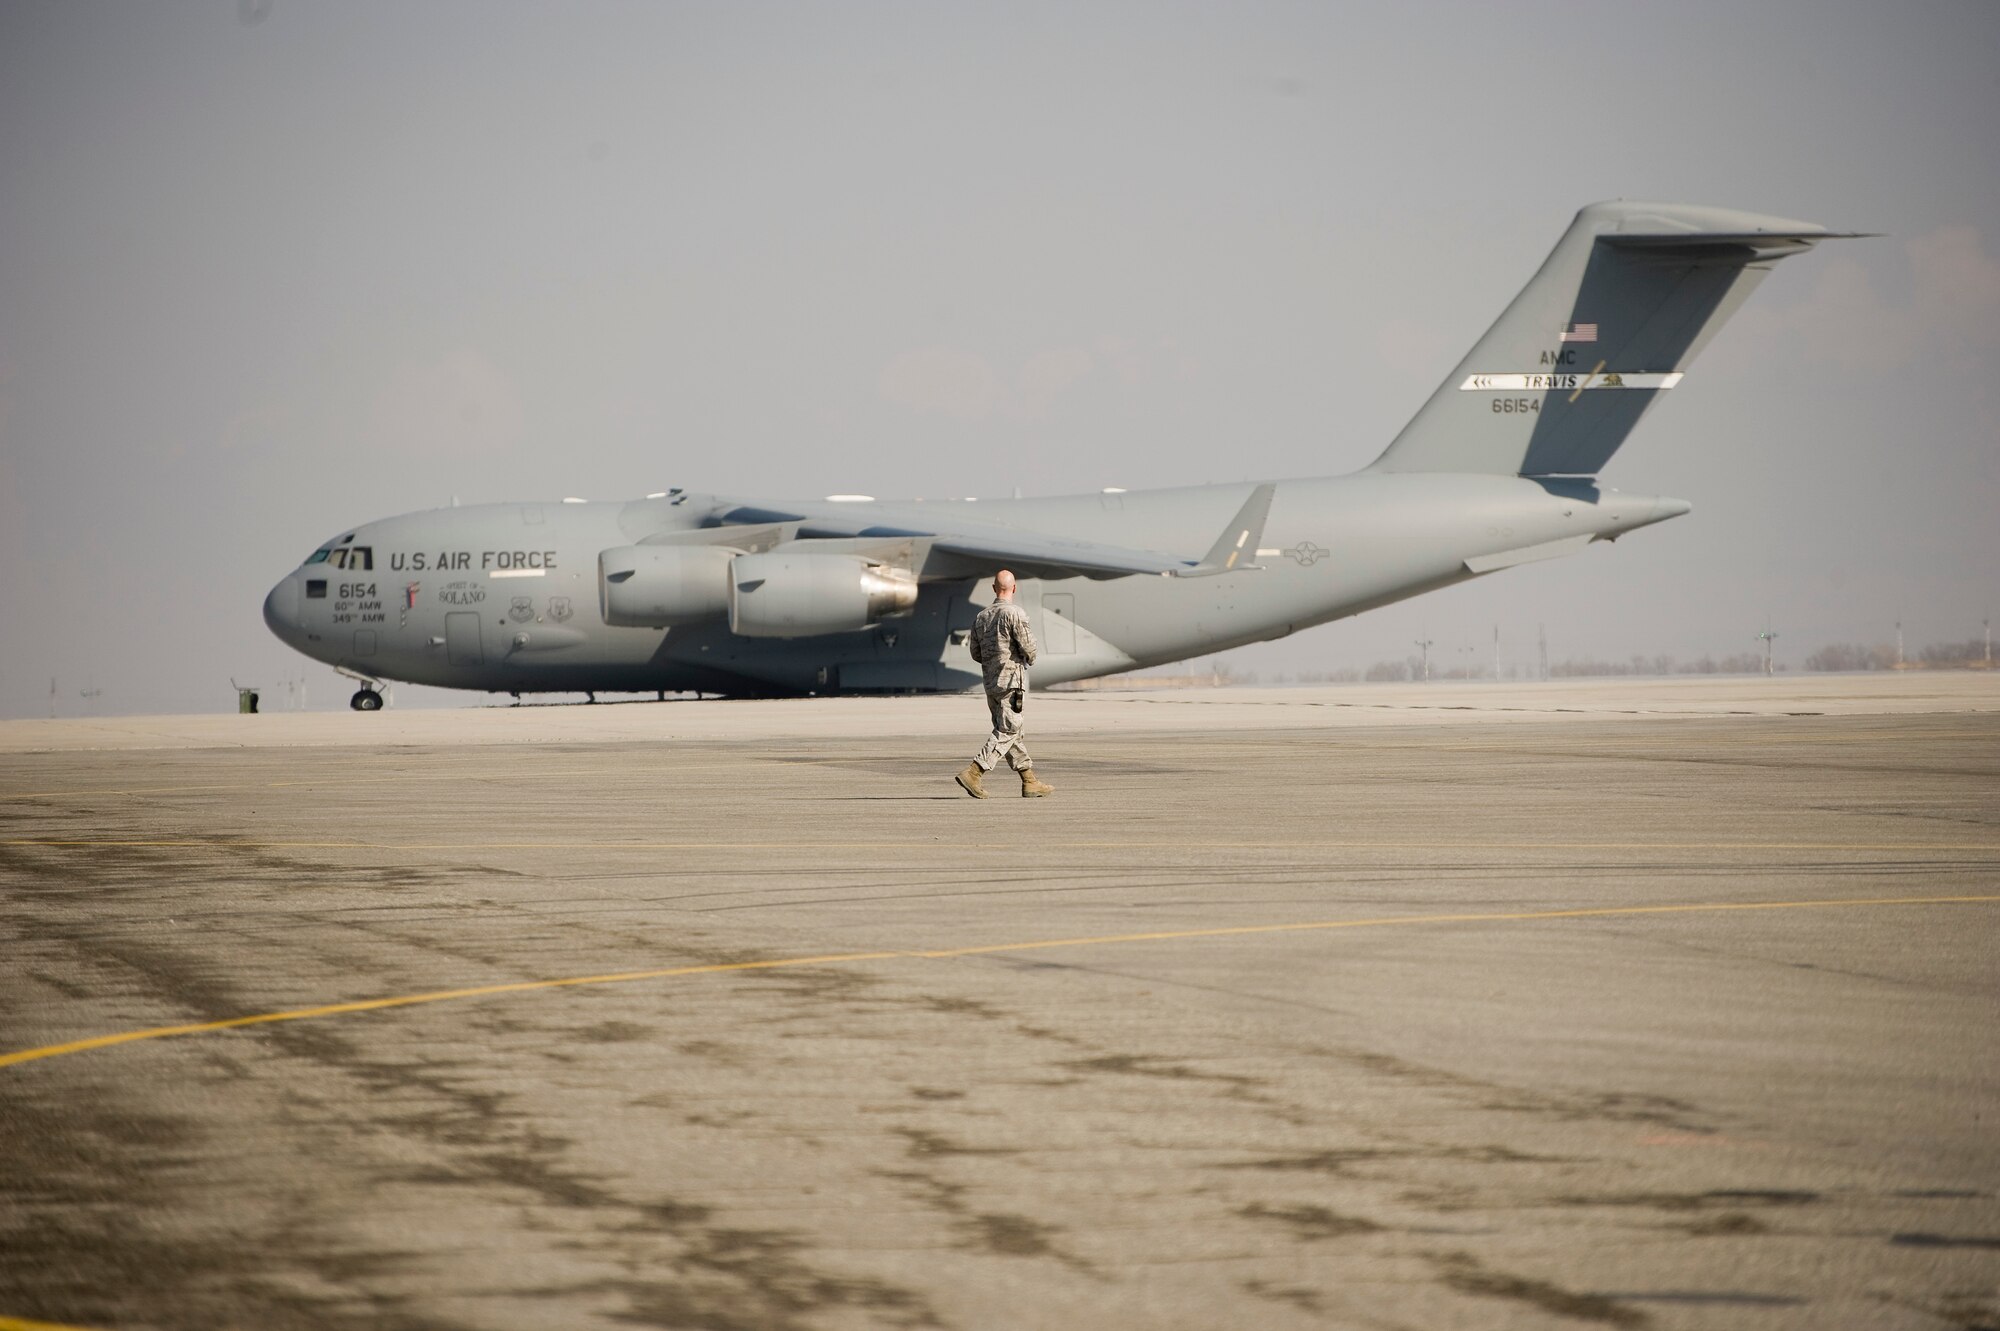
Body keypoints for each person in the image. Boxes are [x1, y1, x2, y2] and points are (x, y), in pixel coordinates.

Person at [957, 569, 1054, 798]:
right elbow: (1029, 649)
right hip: (1011, 681)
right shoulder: (1015, 613)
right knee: (1008, 729)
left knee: (1013, 733)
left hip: (991, 683)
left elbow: (975, 652)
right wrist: (1026, 659)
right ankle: (975, 771)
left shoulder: (981, 617)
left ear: (993, 589)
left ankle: (1029, 781)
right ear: (1014, 588)